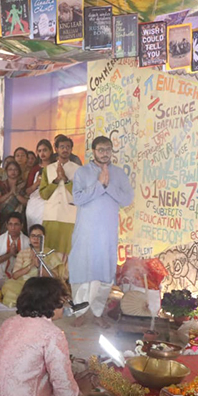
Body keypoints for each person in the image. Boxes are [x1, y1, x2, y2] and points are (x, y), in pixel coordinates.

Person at [69, 136, 133, 326]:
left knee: (104, 272)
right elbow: (78, 199)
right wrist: (99, 185)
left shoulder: (120, 174)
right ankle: (79, 313)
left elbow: (127, 199)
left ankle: (98, 313)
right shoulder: (82, 172)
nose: (105, 153)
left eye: (108, 149)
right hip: (86, 232)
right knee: (82, 269)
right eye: (101, 150)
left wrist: (108, 185)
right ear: (93, 151)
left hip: (107, 232)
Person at [1, 224, 65, 308]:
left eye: (39, 236)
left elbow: (55, 277)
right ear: (29, 238)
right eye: (33, 236)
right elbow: (15, 276)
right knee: (9, 287)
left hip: (44, 284)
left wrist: (39, 266)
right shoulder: (23, 253)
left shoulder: (50, 253)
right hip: (25, 284)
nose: (36, 239)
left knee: (51, 291)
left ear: (44, 238)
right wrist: (31, 265)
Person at [39, 135, 79, 256]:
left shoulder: (78, 170)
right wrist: (56, 180)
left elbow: (80, 195)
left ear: (71, 150)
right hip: (51, 215)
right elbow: (43, 194)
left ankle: (65, 275)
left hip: (69, 216)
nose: (65, 149)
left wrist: (66, 180)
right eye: (62, 147)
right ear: (56, 149)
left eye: (68, 147)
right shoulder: (48, 169)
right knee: (49, 251)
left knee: (67, 252)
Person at [0, 212, 30, 289]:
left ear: (21, 226)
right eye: (10, 224)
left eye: (16, 224)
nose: (13, 228)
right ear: (6, 225)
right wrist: (9, 254)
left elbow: (30, 263)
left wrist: (16, 254)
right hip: (1, 278)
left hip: (21, 279)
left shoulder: (27, 241)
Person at [26, 139, 53, 229]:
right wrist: (37, 183)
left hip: (51, 203)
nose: (42, 153)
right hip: (35, 205)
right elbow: (28, 191)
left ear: (51, 151)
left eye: (45, 150)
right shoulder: (34, 169)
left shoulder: (56, 167)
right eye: (39, 151)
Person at [0, 159, 28, 231]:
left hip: (19, 216)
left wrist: (16, 194)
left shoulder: (23, 185)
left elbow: (26, 202)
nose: (13, 171)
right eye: (10, 169)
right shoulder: (0, 184)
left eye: (15, 169)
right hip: (3, 216)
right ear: (6, 171)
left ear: (19, 171)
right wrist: (10, 193)